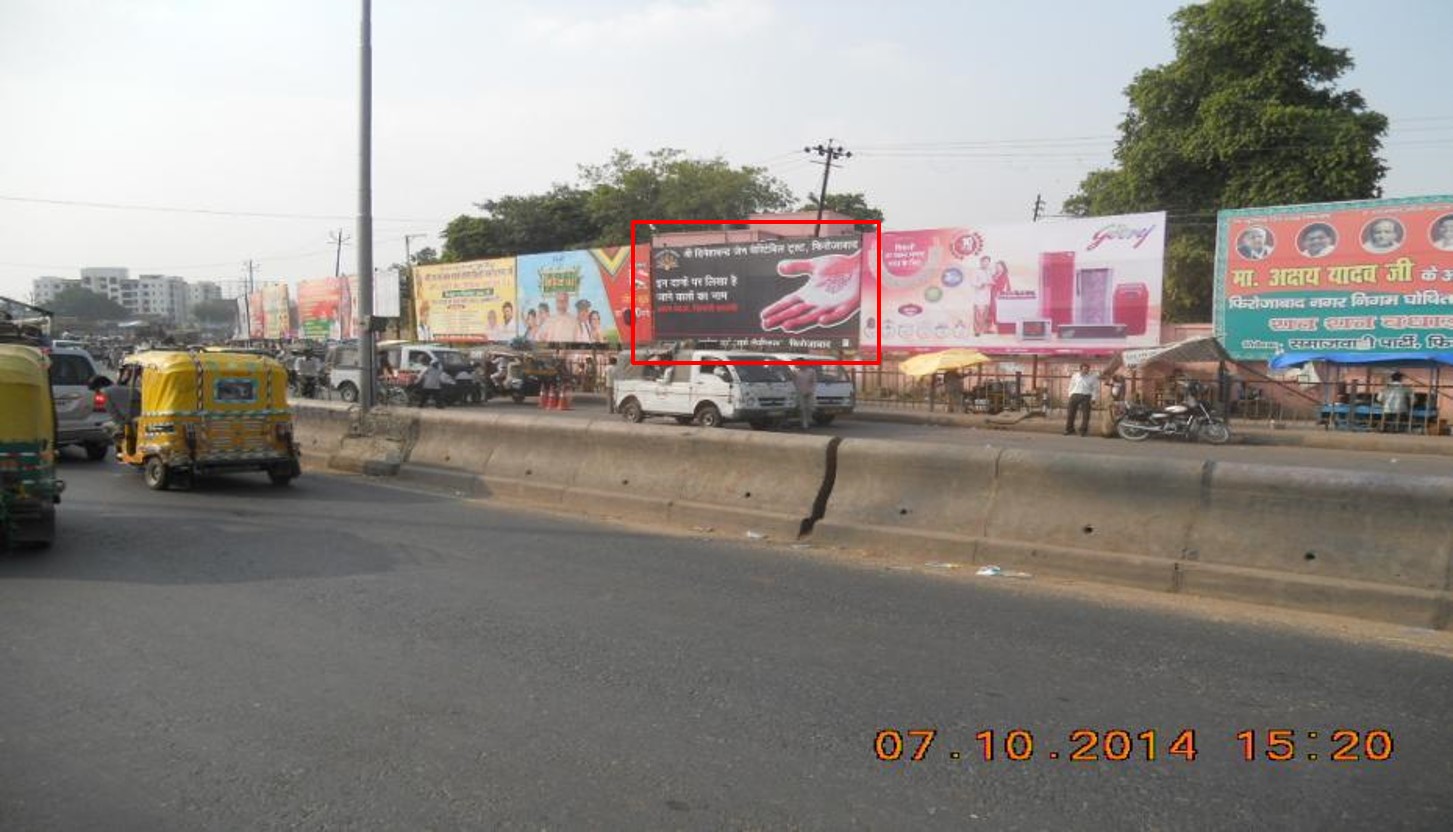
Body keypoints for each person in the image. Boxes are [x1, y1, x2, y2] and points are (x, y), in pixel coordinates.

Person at [1064, 363, 1098, 437]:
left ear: (1088, 370)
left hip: (1086, 396)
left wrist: (1094, 398)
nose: (1085, 370)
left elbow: (1095, 388)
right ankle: (1069, 429)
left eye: (1087, 369)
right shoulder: (1075, 376)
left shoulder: (1092, 377)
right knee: (1071, 414)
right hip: (1075, 395)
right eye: (1084, 369)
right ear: (1080, 369)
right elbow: (1071, 385)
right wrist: (1070, 395)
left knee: (1086, 415)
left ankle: (1083, 430)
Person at [971, 256, 993, 336]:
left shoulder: (989, 271)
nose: (986, 263)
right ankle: (977, 331)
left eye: (988, 262)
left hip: (987, 296)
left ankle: (985, 329)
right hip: (979, 296)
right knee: (978, 313)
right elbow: (973, 283)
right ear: (981, 262)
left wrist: (991, 283)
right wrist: (981, 285)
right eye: (984, 262)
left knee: (986, 313)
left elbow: (991, 280)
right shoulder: (976, 271)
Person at [792, 363, 818, 429]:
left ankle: (808, 419)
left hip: (809, 392)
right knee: (802, 408)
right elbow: (794, 381)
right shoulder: (795, 371)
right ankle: (804, 423)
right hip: (800, 392)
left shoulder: (811, 371)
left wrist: (812, 390)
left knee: (810, 407)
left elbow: (814, 381)